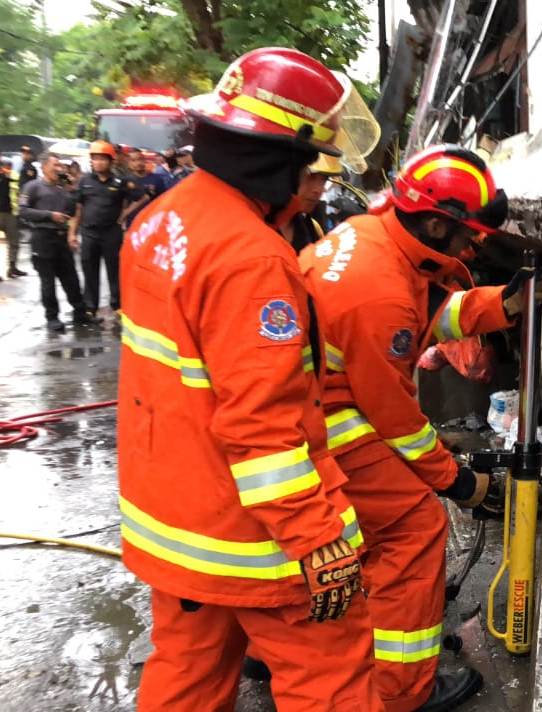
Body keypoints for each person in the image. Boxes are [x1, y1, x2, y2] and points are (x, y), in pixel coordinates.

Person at [117, 47, 383, 712]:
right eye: (308, 161)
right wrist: (319, 539)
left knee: (186, 673)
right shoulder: (252, 258)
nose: (312, 180)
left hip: (173, 523)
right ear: (276, 157)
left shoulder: (159, 220)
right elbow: (262, 428)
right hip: (251, 540)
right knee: (331, 679)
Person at [299, 145, 542, 712]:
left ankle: (290, 643)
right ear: (436, 223)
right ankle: (403, 689)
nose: (471, 247)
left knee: (353, 538)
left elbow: (430, 315)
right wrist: (457, 481)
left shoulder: (375, 237)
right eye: (468, 235)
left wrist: (502, 305)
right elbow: (396, 420)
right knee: (413, 530)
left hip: (320, 403)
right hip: (329, 422)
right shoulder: (377, 290)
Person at [18, 153, 94, 331]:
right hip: (43, 238)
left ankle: (80, 312)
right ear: (44, 167)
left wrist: (72, 189)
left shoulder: (62, 189)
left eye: (60, 165)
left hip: (61, 238)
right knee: (48, 281)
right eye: (55, 165)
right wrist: (49, 215)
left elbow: (72, 211)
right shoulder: (33, 187)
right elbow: (23, 211)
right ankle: (52, 317)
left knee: (71, 278)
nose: (59, 168)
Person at [69, 141, 132, 319]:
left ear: (111, 161)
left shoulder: (119, 182)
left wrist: (125, 214)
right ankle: (91, 305)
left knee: (114, 270)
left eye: (103, 159)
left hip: (111, 233)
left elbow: (139, 198)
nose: (98, 162)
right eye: (95, 159)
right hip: (89, 233)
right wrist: (72, 233)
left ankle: (117, 304)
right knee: (89, 269)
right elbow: (78, 208)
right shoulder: (84, 181)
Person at [280, 154, 340, 253]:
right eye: (311, 177)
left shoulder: (314, 230)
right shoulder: (257, 223)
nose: (319, 189)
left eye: (324, 179)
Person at [0, 158, 25, 279]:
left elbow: (20, 192)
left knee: (14, 242)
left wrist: (21, 209)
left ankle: (12, 268)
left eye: (8, 166)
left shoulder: (14, 176)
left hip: (11, 213)